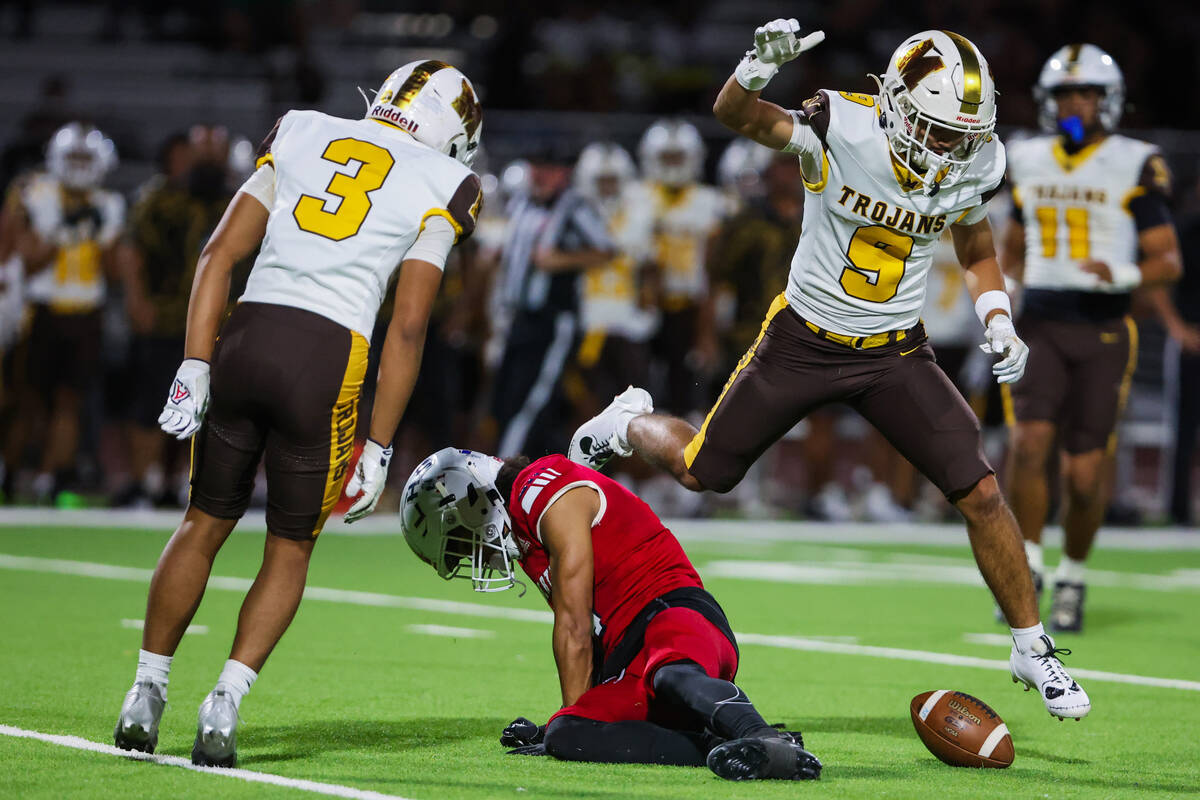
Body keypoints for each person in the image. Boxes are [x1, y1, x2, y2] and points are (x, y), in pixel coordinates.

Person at [570, 20, 1091, 720]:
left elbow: (972, 234)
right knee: (704, 470)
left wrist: (998, 314)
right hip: (803, 340)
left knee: (982, 492)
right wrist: (754, 67)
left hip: (894, 351)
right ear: (898, 107)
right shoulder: (839, 123)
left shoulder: (975, 157)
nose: (947, 149)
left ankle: (1030, 645)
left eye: (960, 136)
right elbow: (736, 114)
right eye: (936, 130)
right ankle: (629, 421)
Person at [111, 59, 485, 767]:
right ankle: (223, 701)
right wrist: (379, 445)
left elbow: (219, 254)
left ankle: (145, 690)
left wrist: (194, 363)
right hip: (327, 353)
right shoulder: (450, 182)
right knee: (289, 545)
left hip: (246, 335)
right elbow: (408, 327)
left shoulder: (304, 128)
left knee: (202, 521)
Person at [399, 447, 822, 781]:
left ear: (470, 500)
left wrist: (574, 706)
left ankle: (762, 735)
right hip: (631, 656)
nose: (469, 554)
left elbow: (576, 626)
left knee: (669, 673)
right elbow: (597, 641)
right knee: (568, 735)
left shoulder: (539, 488)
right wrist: (565, 722)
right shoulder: (527, 534)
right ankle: (720, 743)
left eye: (457, 540)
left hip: (674, 614)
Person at [1002, 45, 1182, 632]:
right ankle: (1026, 567)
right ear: (1048, 102)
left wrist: (1123, 275)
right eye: (1065, 94)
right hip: (1041, 323)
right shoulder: (1024, 156)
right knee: (1028, 445)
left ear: (1108, 100)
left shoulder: (1135, 160)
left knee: (1084, 475)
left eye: (1086, 93)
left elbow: (1167, 261)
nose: (1076, 103)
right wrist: (999, 303)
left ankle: (1073, 574)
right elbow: (1010, 247)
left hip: (1104, 327)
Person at [1, 123, 123, 504]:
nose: (80, 166)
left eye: (86, 158)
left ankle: (51, 479)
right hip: (40, 309)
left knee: (70, 401)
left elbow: (113, 272)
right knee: (26, 399)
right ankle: (8, 471)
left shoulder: (109, 204)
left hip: (86, 311)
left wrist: (100, 238)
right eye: (73, 157)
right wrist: (61, 232)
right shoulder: (34, 194)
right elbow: (28, 262)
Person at [488, 145, 615, 458]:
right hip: (518, 317)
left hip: (553, 319)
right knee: (504, 399)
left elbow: (607, 250)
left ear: (564, 173)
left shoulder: (574, 206)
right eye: (536, 166)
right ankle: (521, 467)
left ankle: (506, 473)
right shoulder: (521, 202)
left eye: (549, 168)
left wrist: (561, 260)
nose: (540, 175)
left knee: (531, 400)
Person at [638, 119, 725, 417]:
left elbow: (714, 267)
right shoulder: (636, 197)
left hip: (690, 308)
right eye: (666, 157)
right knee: (637, 394)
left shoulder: (709, 201)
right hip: (642, 306)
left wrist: (708, 327)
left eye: (678, 157)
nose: (673, 164)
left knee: (688, 394)